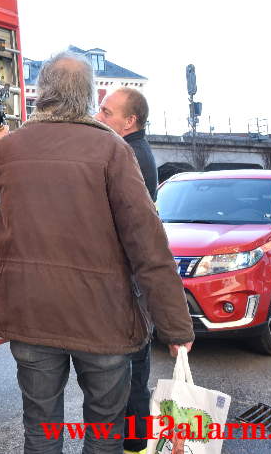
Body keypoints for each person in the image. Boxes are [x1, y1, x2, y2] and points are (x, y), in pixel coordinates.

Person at [0, 51, 194, 454]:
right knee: (105, 432)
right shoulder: (112, 150)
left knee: (40, 429)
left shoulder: (11, 147)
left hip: (31, 314)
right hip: (102, 321)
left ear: (43, 94)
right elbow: (148, 242)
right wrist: (175, 327)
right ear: (87, 97)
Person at [95, 88, 156, 454]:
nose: (100, 117)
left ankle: (133, 446)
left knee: (130, 374)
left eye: (107, 112)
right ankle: (135, 444)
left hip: (127, 284)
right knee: (134, 370)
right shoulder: (135, 152)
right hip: (132, 283)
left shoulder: (128, 155)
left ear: (129, 121)